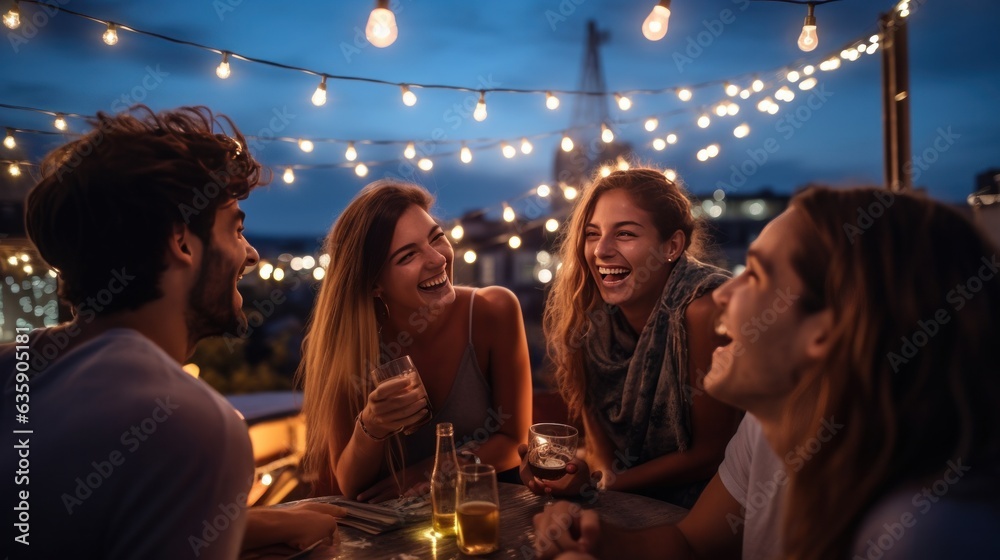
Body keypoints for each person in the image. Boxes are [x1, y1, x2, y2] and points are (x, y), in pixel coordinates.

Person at [532, 186, 1000, 559]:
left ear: (827, 327)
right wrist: (598, 540)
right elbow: (690, 543)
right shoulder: (765, 429)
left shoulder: (922, 533)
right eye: (593, 234)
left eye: (754, 275)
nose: (721, 292)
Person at [1, 105, 345, 560]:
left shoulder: (16, 365)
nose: (252, 254)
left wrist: (266, 522)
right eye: (235, 230)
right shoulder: (188, 425)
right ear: (182, 242)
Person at [298, 180, 532, 502]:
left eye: (437, 238)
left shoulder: (494, 310)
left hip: (488, 510)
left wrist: (430, 472)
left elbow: (514, 438)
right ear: (374, 284)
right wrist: (372, 426)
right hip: (399, 533)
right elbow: (351, 485)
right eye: (408, 256)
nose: (438, 259)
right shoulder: (343, 346)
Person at [522, 168, 741, 507]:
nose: (601, 251)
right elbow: (599, 453)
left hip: (715, 509)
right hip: (624, 501)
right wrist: (576, 479)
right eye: (593, 234)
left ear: (672, 246)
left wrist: (603, 488)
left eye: (624, 234)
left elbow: (713, 452)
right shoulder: (586, 319)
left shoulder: (705, 309)